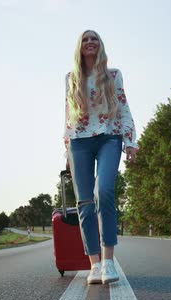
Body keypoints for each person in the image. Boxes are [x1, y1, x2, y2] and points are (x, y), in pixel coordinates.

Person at [64, 30, 138, 284]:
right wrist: (67, 149)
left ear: (101, 45)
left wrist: (130, 141)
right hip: (79, 141)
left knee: (104, 191)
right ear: (79, 47)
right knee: (84, 202)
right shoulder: (71, 78)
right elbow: (68, 114)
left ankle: (108, 262)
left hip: (109, 137)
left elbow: (124, 107)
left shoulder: (113, 76)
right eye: (85, 39)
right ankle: (94, 265)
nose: (90, 42)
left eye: (94, 38)